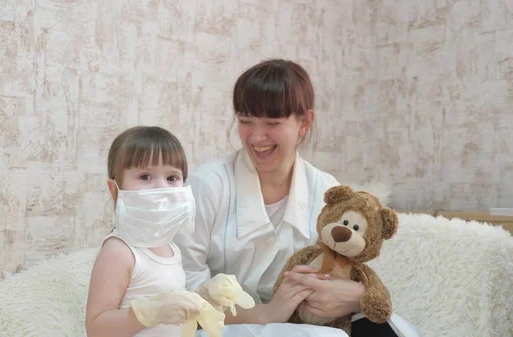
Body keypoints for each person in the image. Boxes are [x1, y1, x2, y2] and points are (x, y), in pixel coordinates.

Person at [174, 59, 422, 337]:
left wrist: (355, 295)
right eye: (245, 121)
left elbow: (351, 266)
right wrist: (265, 313)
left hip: (307, 322)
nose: (256, 137)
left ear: (305, 122)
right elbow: (182, 286)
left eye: (272, 123)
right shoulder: (206, 185)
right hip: (219, 327)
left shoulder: (325, 190)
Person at [85, 126, 228, 337]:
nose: (162, 189)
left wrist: (204, 297)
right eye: (145, 176)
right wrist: (146, 312)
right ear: (115, 190)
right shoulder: (119, 251)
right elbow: (96, 328)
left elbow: (170, 312)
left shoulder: (171, 247)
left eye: (172, 178)